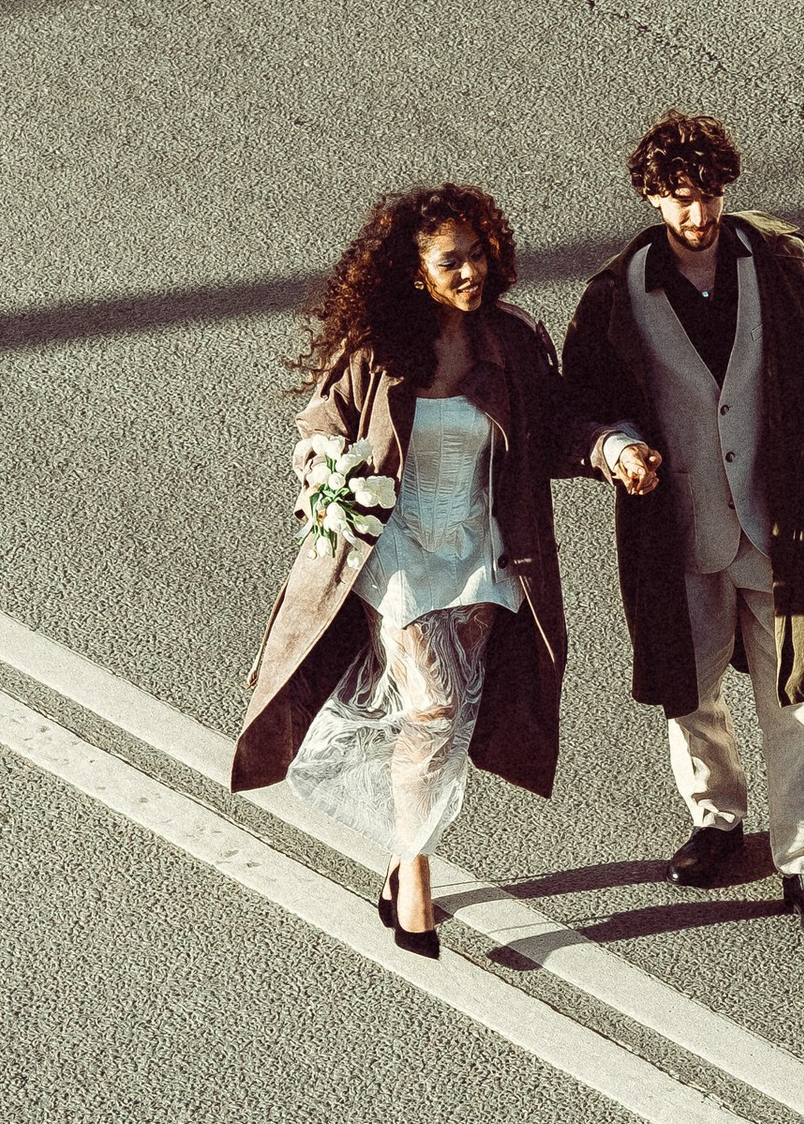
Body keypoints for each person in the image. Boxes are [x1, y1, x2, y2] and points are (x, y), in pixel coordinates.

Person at [561, 112, 804, 942]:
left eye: (707, 197)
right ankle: (717, 817)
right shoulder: (613, 295)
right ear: (650, 197)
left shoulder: (781, 262)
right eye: (679, 201)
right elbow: (579, 412)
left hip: (791, 526)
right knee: (690, 687)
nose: (697, 217)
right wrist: (614, 448)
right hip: (681, 532)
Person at [233, 186, 580, 954]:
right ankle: (417, 871)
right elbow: (321, 428)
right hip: (397, 558)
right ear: (416, 271)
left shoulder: (513, 344)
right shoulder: (377, 350)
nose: (471, 271)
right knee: (438, 705)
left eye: (478, 254)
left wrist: (612, 448)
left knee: (449, 718)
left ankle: (397, 857)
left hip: (481, 555)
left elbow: (557, 428)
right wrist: (323, 473)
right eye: (451, 260)